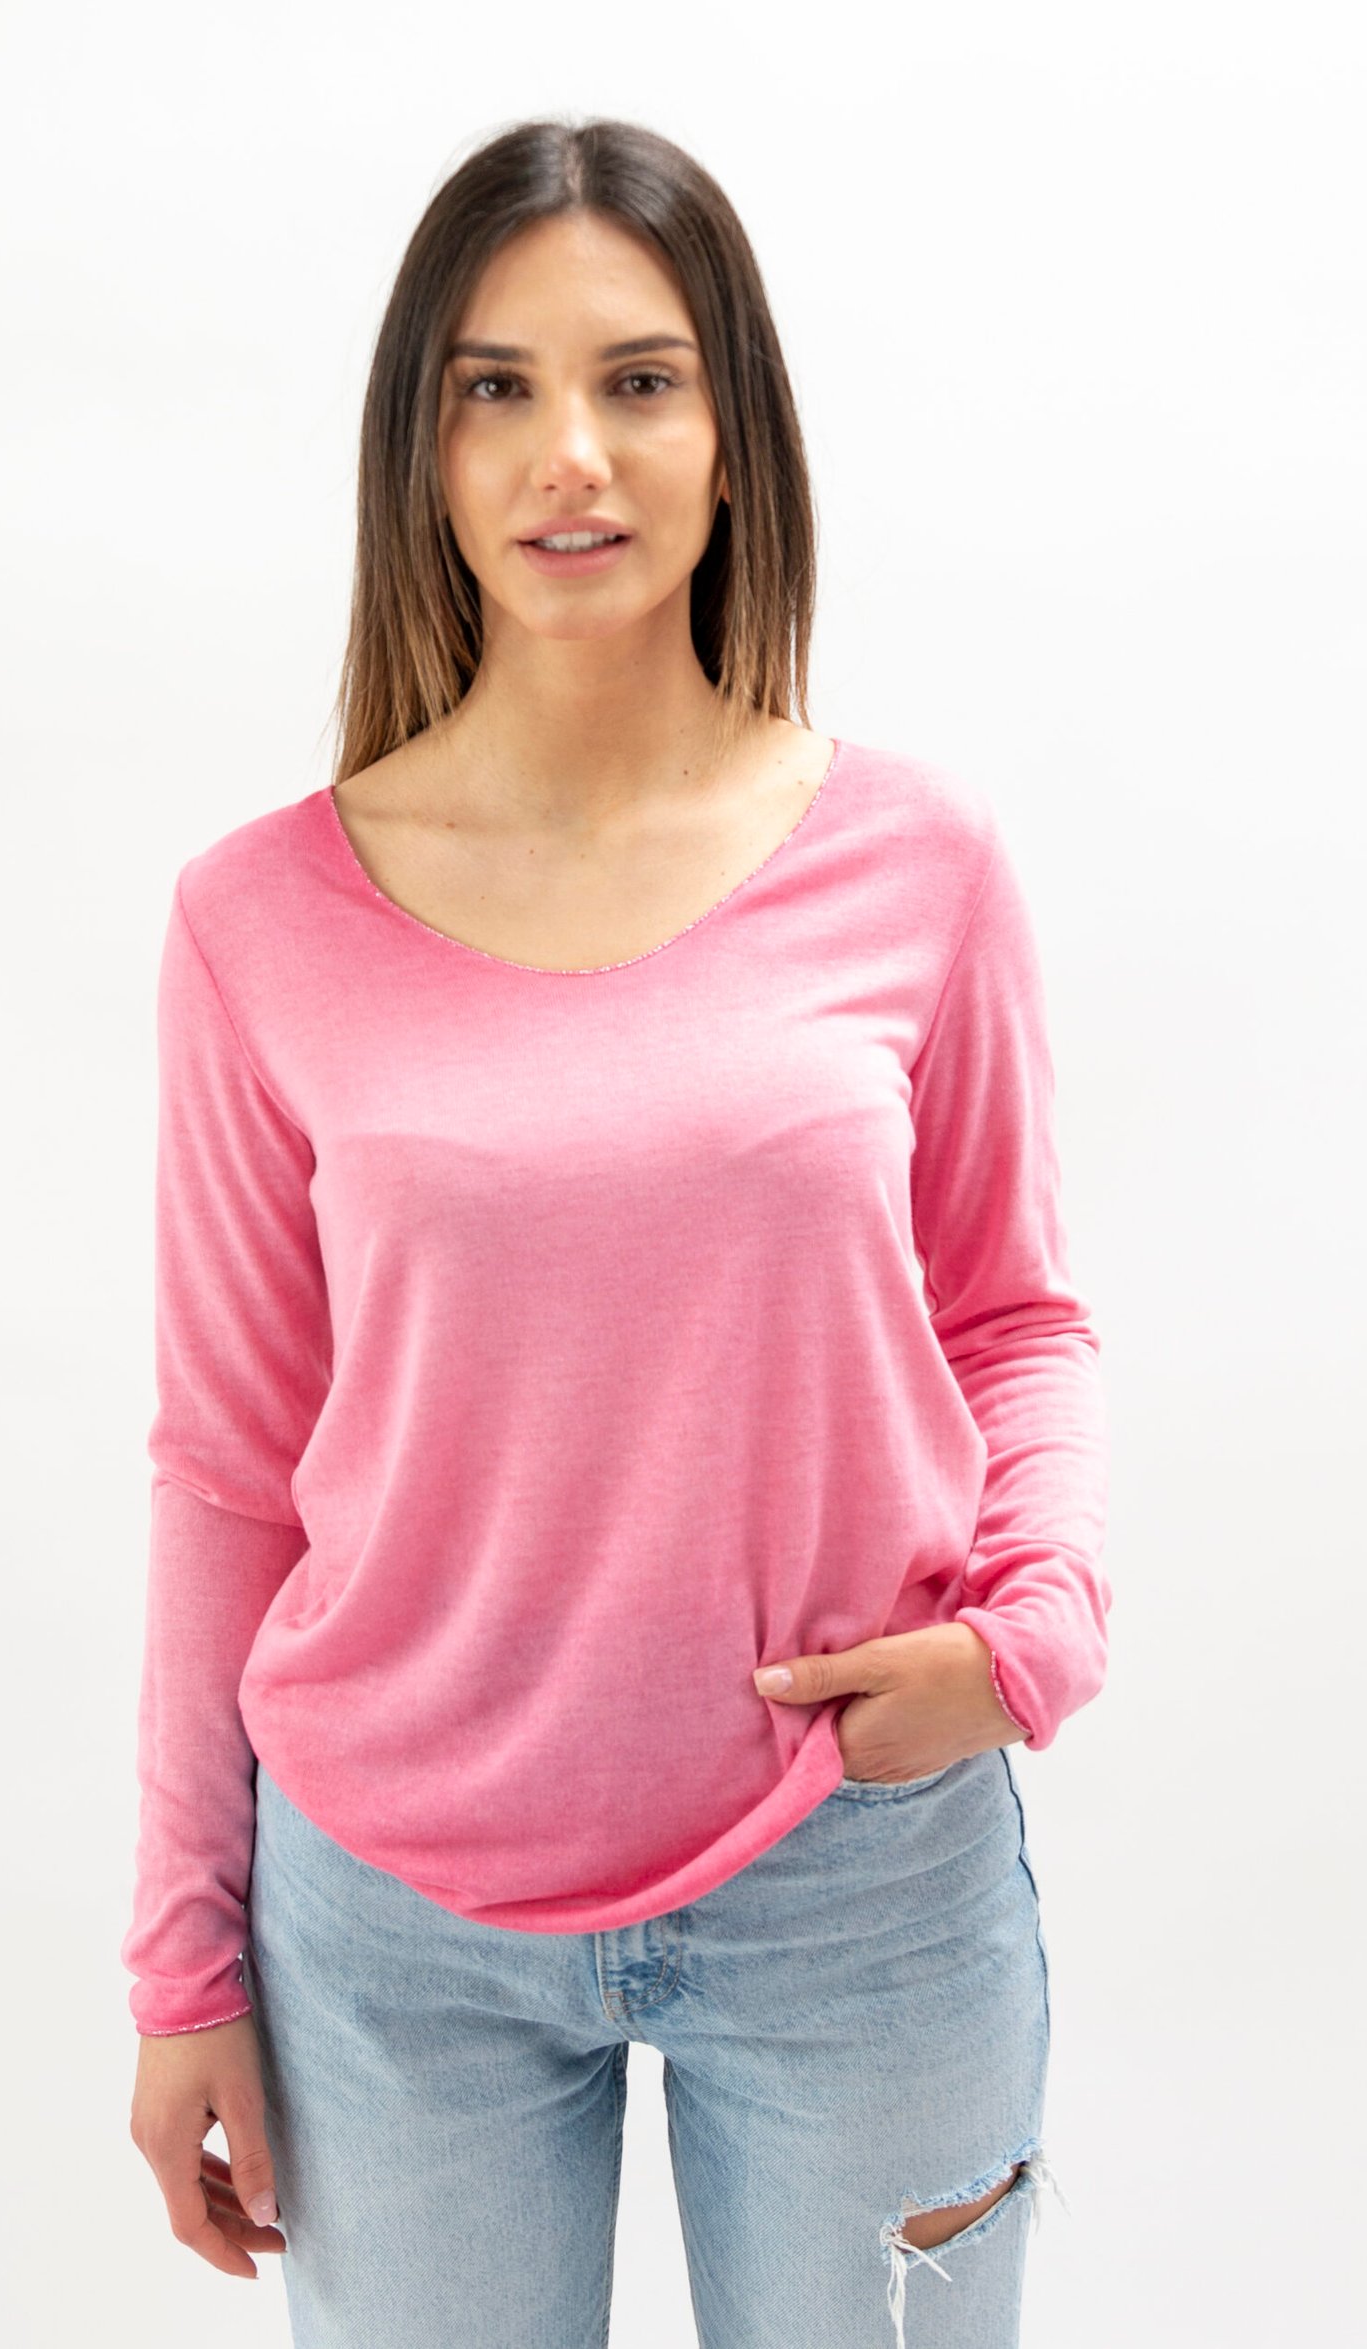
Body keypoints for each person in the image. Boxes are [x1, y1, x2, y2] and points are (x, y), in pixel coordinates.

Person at [123, 115, 1109, 2349]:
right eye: (497, 387)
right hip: (394, 1920)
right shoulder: (255, 920)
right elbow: (227, 1470)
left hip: (858, 1873)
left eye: (638, 381)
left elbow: (1015, 1315)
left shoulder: (919, 863)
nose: (570, 451)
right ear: (426, 449)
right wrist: (183, 1963)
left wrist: (1025, 1637)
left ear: (731, 435)